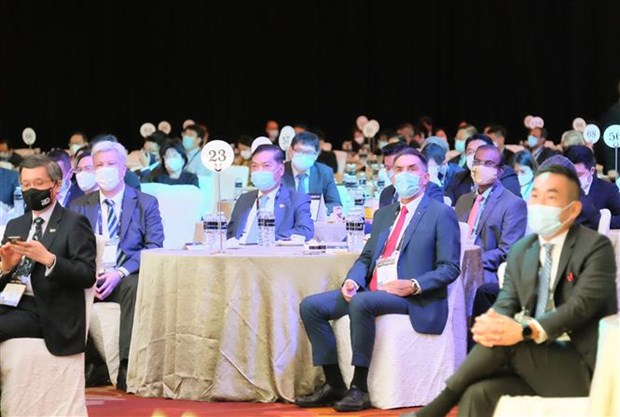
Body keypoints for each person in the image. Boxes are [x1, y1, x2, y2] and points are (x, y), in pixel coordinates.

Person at [403, 165, 617, 417]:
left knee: (511, 341)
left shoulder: (595, 247)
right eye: (535, 195)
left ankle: (437, 407)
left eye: (550, 197)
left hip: (580, 366)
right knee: (477, 394)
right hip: (531, 362)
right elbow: (506, 303)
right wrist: (493, 322)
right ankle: (445, 403)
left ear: (573, 209)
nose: (538, 204)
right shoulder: (523, 250)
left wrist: (526, 330)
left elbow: (581, 306)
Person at [296, 148, 461, 412]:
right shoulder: (385, 214)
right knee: (311, 306)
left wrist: (413, 285)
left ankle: (359, 388)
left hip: (413, 296)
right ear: (391, 176)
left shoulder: (440, 214)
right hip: (375, 289)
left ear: (426, 177)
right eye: (398, 170)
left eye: (412, 169)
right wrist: (352, 280)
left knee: (362, 303)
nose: (404, 175)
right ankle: (334, 382)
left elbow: (450, 267)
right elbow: (366, 257)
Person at [69, 140, 164, 391]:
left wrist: (119, 273)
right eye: (99, 165)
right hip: (90, 273)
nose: (104, 170)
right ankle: (90, 364)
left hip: (125, 275)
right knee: (64, 285)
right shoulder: (79, 205)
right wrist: (91, 274)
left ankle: (126, 364)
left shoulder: (146, 202)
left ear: (123, 169)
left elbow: (154, 246)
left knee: (133, 288)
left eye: (110, 164)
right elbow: (71, 247)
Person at [0, 155, 96, 355]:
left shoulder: (74, 223)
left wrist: (50, 260)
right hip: (9, 301)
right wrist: (6, 267)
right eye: (25, 184)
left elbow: (87, 275)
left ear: (57, 185)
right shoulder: (15, 224)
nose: (31, 190)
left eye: (38, 183)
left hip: (45, 309)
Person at [455, 145, 527, 284]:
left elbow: (507, 252)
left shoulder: (513, 204)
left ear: (499, 171)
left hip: (486, 271)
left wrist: (469, 260)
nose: (480, 167)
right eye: (477, 162)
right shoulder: (463, 201)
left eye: (488, 164)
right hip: (456, 267)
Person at [227, 144, 314, 243]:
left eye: (266, 166)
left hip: (274, 254)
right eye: (254, 166)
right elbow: (230, 233)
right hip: (238, 255)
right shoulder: (244, 199)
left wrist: (267, 239)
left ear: (281, 170)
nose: (259, 171)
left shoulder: (297, 199)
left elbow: (305, 230)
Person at [445, 134, 521, 206]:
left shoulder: (505, 174)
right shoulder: (460, 177)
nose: (474, 156)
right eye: (470, 152)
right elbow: (448, 203)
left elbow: (508, 206)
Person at [281, 131, 341, 215]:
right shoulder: (279, 172)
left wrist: (318, 212)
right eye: (299, 151)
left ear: (316, 154)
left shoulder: (325, 173)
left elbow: (335, 204)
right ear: (291, 151)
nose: (303, 156)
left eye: (309, 152)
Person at [564, 144, 620, 229]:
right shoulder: (559, 189)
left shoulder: (608, 190)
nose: (573, 178)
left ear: (592, 171)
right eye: (570, 173)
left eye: (579, 174)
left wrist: (601, 221)